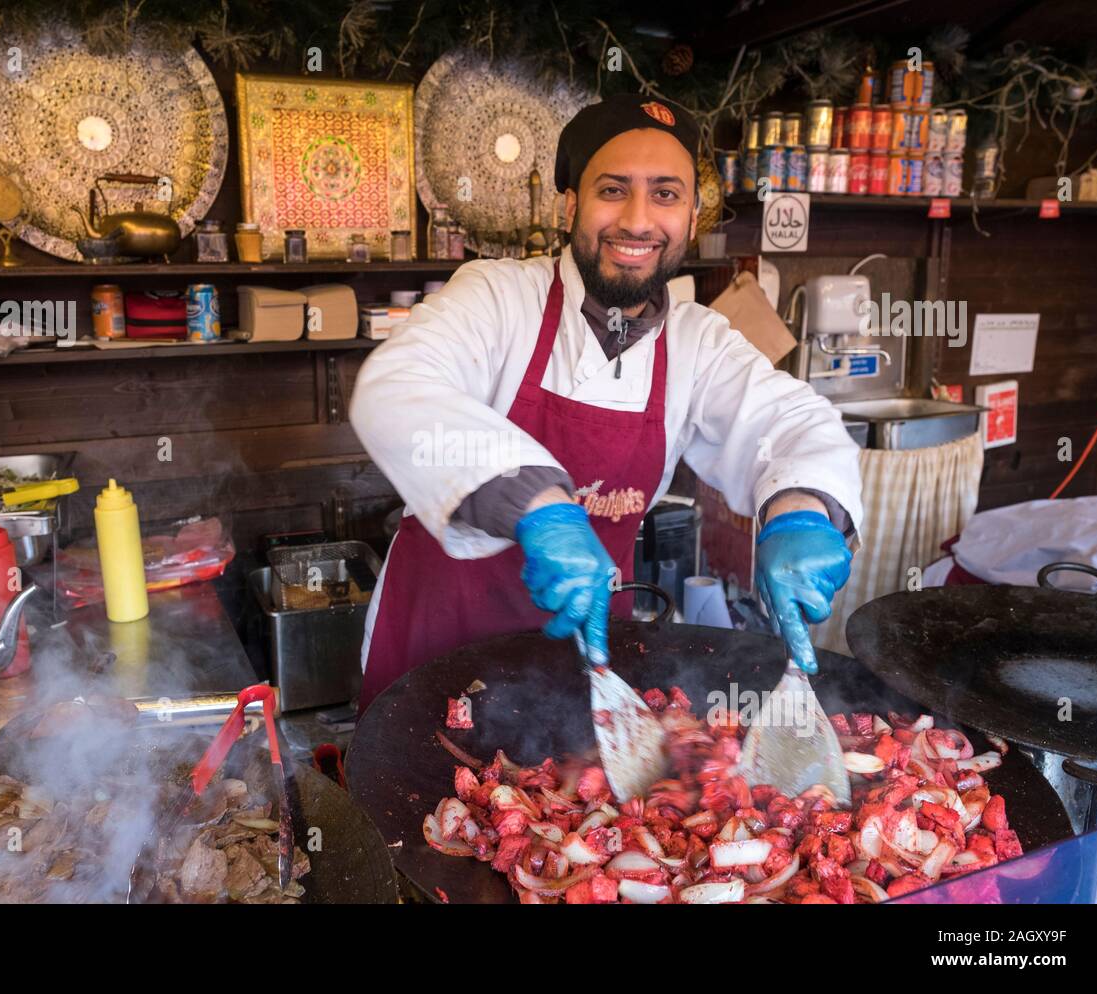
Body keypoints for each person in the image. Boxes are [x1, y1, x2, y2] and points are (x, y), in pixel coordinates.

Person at [350, 93, 862, 711]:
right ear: (571, 205)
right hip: (432, 651)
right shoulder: (497, 297)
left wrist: (802, 511)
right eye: (613, 190)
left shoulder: (699, 343)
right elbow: (398, 386)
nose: (638, 221)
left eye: (666, 194)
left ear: (693, 214)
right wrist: (539, 507)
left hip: (585, 665)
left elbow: (789, 422)